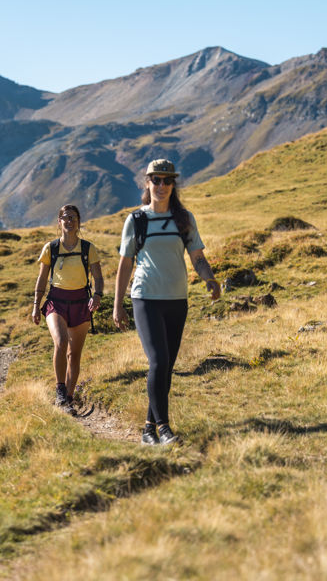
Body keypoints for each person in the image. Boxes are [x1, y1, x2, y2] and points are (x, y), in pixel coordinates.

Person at [112, 159, 221, 445]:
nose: (161, 186)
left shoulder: (183, 219)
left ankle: (148, 428)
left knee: (166, 366)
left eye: (167, 180)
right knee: (158, 361)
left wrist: (209, 279)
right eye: (156, 180)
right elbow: (125, 264)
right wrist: (116, 305)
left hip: (177, 299)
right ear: (147, 183)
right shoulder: (136, 220)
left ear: (174, 184)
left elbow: (197, 256)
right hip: (145, 297)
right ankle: (163, 428)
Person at [32, 204, 105, 407]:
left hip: (82, 304)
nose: (69, 221)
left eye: (73, 217)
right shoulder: (51, 248)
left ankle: (69, 398)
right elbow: (41, 278)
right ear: (59, 221)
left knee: (74, 354)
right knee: (61, 342)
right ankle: (60, 390)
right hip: (56, 303)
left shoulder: (88, 248)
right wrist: (36, 305)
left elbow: (98, 277)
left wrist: (97, 295)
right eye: (65, 217)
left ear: (78, 222)